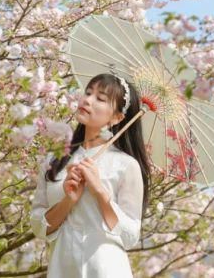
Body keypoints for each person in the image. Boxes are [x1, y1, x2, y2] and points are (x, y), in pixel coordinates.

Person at [30, 73, 151, 278]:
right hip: (63, 267)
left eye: (100, 98)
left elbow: (130, 236)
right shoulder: (56, 159)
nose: (87, 100)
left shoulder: (126, 165)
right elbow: (38, 227)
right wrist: (69, 200)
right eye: (88, 93)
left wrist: (99, 192)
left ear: (117, 118)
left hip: (104, 268)